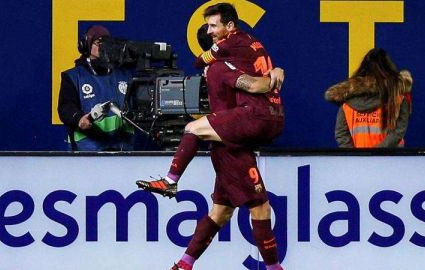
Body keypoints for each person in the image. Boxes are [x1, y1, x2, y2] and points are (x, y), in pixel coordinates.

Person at [136, 3, 285, 270]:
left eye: (213, 26)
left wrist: (269, 80)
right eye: (210, 28)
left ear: (226, 32)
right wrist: (276, 72)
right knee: (221, 212)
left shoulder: (219, 66)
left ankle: (170, 181)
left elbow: (250, 83)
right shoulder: (251, 45)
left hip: (238, 133)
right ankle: (184, 264)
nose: (211, 31)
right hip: (239, 134)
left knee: (193, 129)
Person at [58, 25, 134, 151]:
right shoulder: (73, 76)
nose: (102, 47)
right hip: (87, 152)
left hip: (122, 151)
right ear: (86, 46)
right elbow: (66, 107)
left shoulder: (124, 74)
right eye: (98, 42)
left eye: (106, 43)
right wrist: (79, 119)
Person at [324, 48, 413, 148]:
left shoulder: (346, 105)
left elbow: (341, 135)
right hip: (391, 161)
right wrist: (376, 153)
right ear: (389, 70)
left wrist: (358, 157)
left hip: (358, 162)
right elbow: (398, 132)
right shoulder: (399, 100)